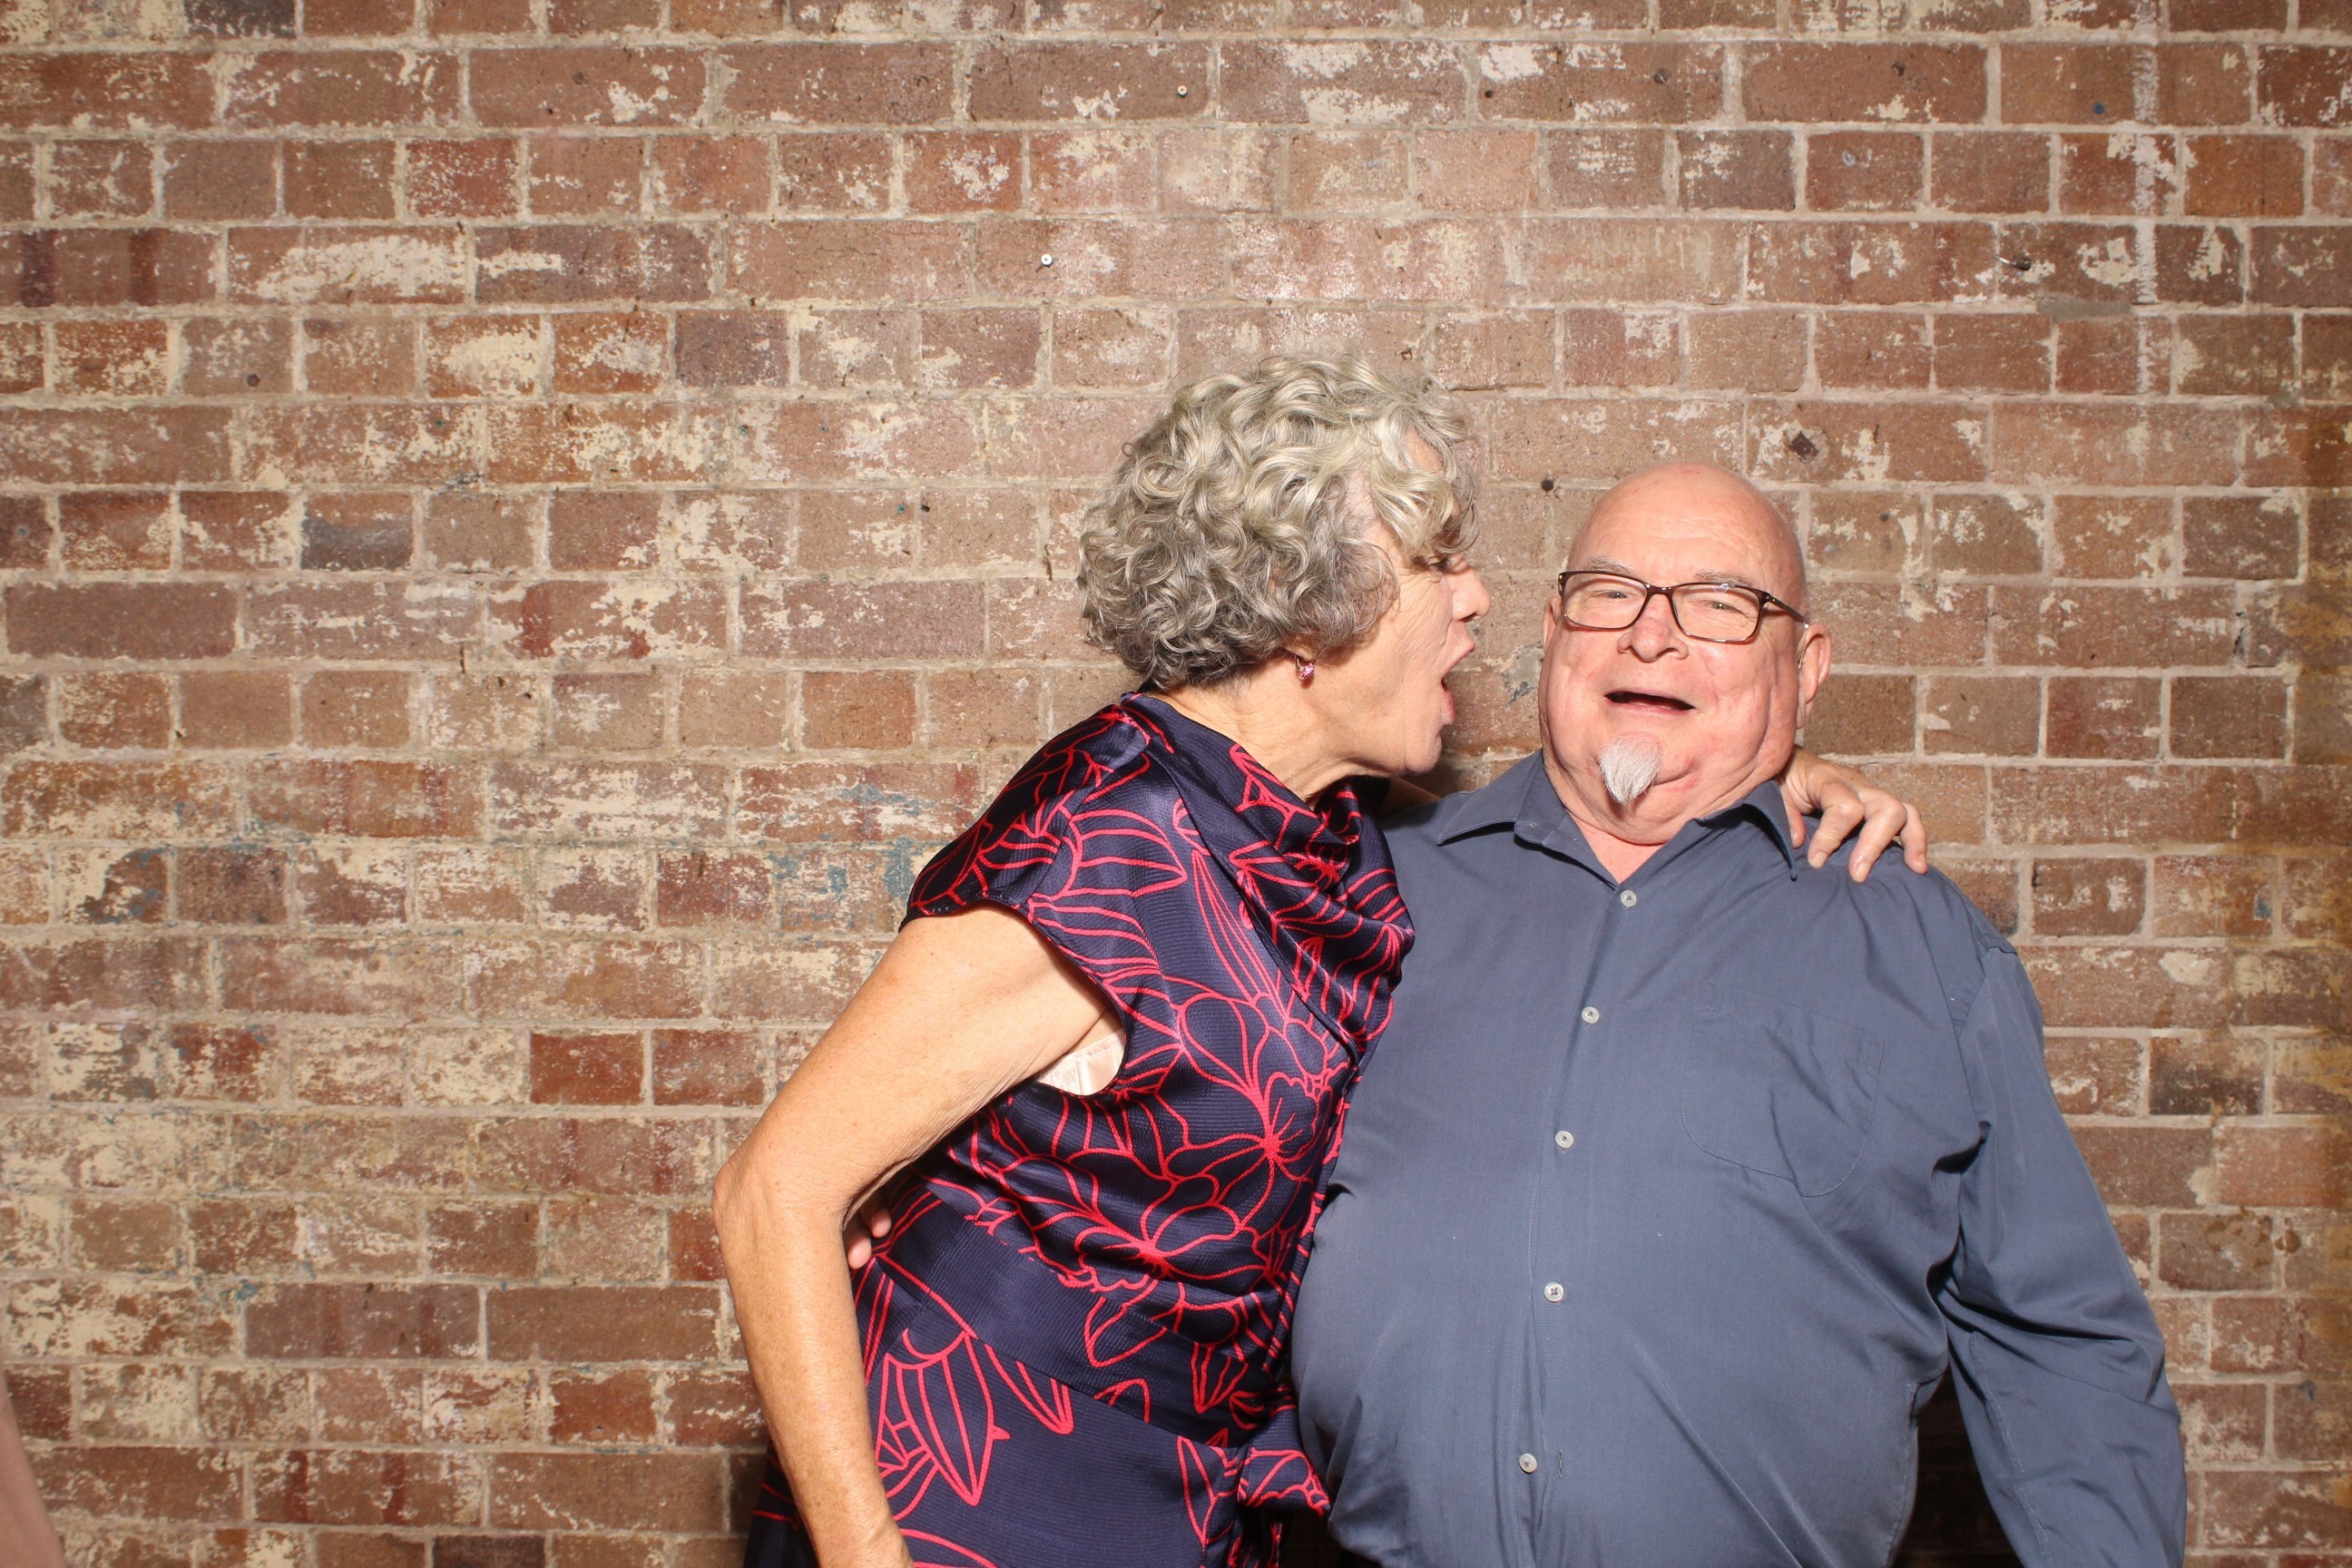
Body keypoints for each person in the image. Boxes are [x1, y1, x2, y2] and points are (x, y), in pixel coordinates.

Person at [714, 363, 1924, 1568]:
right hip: (983, 1488)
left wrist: (1771, 777)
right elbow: (773, 1192)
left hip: (1188, 1499)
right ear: (1310, 611)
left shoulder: (1324, 836)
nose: (1477, 598)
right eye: (1436, 561)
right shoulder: (1112, 832)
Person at [1289, 461, 2185, 1568]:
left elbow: (2064, 1348)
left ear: (1803, 671)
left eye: (1720, 604)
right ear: (1555, 632)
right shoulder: (1363, 887)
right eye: (1610, 593)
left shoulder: (1921, 949)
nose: (1650, 637)